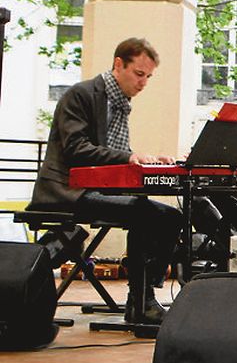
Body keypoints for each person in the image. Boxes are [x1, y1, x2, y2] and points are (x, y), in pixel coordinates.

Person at [29, 38, 183, 325]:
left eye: (148, 77)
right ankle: (142, 302)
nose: (144, 83)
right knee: (148, 214)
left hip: (94, 190)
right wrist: (130, 157)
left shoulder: (120, 103)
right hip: (65, 191)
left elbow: (112, 158)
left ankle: (142, 298)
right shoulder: (81, 95)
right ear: (118, 64)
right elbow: (77, 149)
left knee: (168, 216)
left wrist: (150, 163)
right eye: (139, 74)